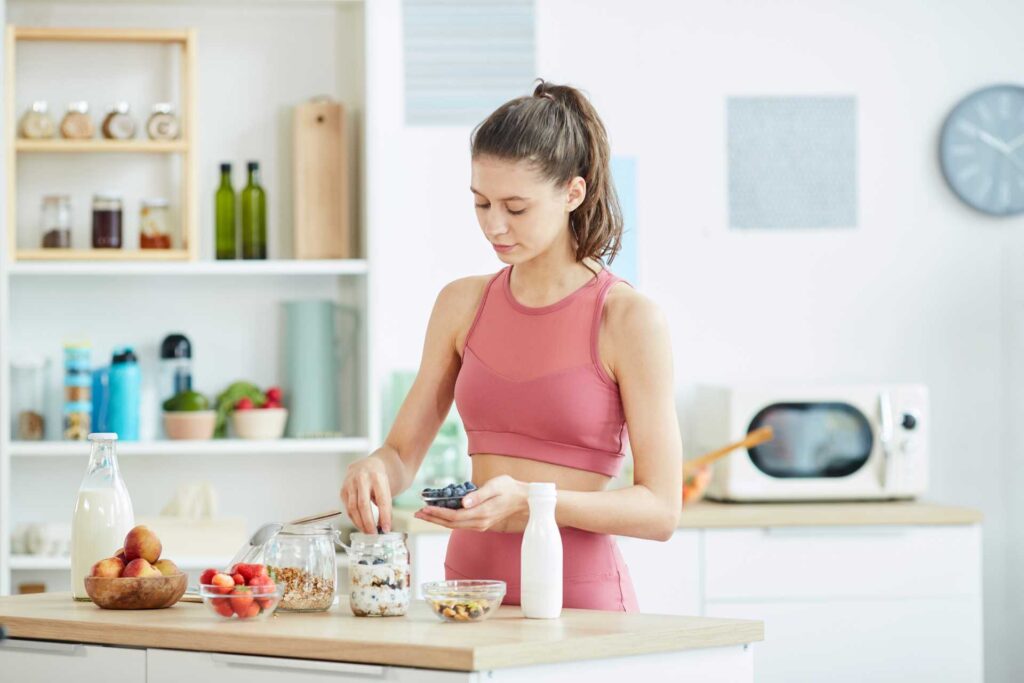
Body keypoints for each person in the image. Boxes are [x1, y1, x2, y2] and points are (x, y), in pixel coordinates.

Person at [341, 80, 682, 612]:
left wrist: (537, 503)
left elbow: (661, 510)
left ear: (573, 192)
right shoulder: (462, 304)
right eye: (481, 203)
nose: (494, 225)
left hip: (580, 603)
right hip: (465, 596)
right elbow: (402, 454)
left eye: (516, 207)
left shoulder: (628, 319)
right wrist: (374, 470)